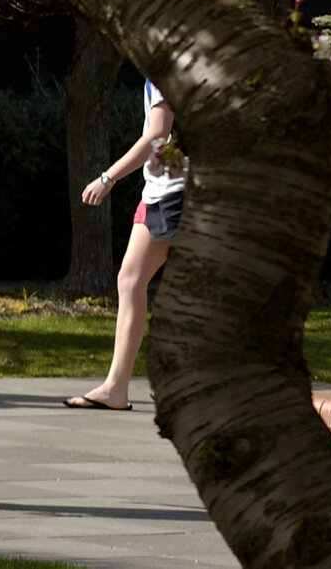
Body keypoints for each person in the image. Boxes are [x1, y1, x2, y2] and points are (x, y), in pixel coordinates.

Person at [65, 79, 185, 413]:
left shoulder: (167, 67)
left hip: (178, 192)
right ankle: (116, 388)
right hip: (159, 191)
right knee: (130, 281)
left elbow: (157, 134)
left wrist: (108, 178)